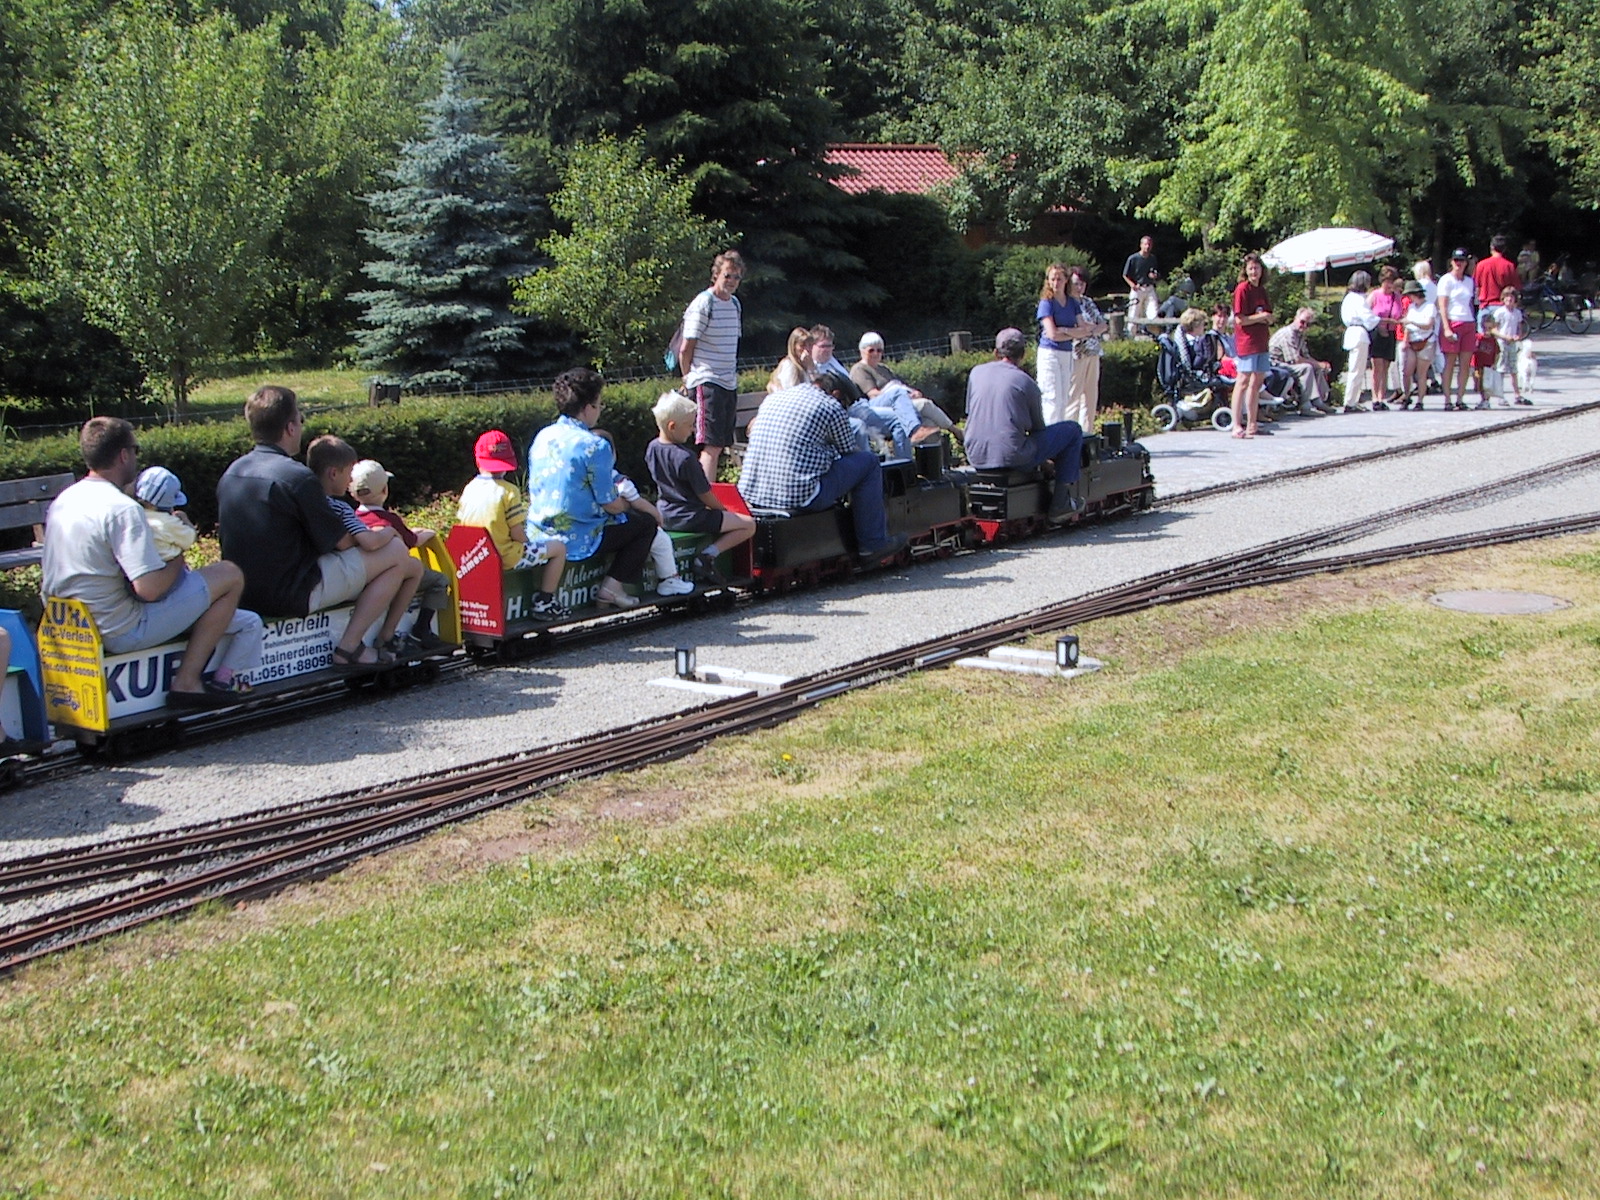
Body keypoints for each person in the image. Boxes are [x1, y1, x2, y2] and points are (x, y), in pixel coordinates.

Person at [43, 417, 254, 707]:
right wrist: (178, 552)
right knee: (229, 574)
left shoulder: (64, 500)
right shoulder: (122, 509)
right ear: (123, 455)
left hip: (69, 627)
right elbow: (150, 589)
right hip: (118, 630)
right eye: (136, 450)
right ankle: (187, 682)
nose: (136, 457)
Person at [217, 385, 417, 670]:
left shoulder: (233, 472)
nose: (301, 426)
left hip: (243, 591)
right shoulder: (297, 478)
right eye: (300, 420)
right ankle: (350, 648)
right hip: (291, 594)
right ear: (290, 428)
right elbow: (342, 543)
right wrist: (384, 533)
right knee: (396, 553)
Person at [737, 375, 908, 563]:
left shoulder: (774, 398)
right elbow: (848, 450)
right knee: (869, 462)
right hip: (798, 496)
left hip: (753, 494)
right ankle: (872, 544)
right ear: (836, 394)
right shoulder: (831, 406)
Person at [526, 368, 659, 610]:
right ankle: (612, 589)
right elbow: (610, 503)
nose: (599, 411)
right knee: (645, 524)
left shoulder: (543, 436)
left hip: (538, 530)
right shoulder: (595, 445)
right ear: (588, 408)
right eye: (599, 405)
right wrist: (629, 503)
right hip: (577, 535)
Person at [133, 465, 260, 693]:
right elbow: (190, 538)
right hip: (174, 600)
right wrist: (184, 520)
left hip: (151, 606)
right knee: (251, 620)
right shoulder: (168, 524)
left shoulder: (135, 520)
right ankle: (224, 679)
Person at [305, 435, 425, 659]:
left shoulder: (308, 498)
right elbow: (368, 542)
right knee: (398, 552)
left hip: (320, 570)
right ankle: (365, 641)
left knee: (413, 567)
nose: (350, 479)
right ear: (334, 473)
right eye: (348, 473)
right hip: (326, 577)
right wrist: (390, 532)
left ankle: (385, 632)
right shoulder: (338, 507)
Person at [963, 328, 1085, 523]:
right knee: (1073, 430)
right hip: (1012, 455)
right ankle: (1061, 503)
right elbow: (1038, 429)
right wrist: (1046, 461)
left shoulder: (975, 373)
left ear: (995, 352)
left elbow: (971, 412)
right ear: (1023, 354)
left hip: (974, 454)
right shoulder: (1026, 382)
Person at [456, 430, 569, 621]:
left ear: (478, 461)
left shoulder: (469, 488)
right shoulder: (509, 491)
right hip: (505, 556)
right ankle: (545, 601)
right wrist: (529, 543)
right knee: (558, 548)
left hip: (477, 555)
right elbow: (517, 534)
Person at [645, 391, 757, 582]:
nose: (692, 431)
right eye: (689, 426)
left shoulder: (652, 448)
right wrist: (722, 509)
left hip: (665, 514)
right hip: (692, 516)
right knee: (749, 525)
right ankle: (707, 556)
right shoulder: (685, 457)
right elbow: (705, 494)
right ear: (672, 426)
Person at [350, 458, 455, 650]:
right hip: (392, 575)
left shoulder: (353, 518)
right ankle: (421, 630)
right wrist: (429, 533)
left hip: (365, 576)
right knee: (440, 581)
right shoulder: (390, 520)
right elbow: (412, 541)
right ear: (385, 490)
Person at [592, 428, 694, 597]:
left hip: (593, 529)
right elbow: (638, 503)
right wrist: (656, 515)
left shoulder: (582, 479)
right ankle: (669, 579)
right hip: (613, 528)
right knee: (658, 535)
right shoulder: (618, 480)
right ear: (613, 454)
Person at [678, 250, 744, 482]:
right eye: (727, 276)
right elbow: (686, 348)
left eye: (736, 277)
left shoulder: (734, 304)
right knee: (711, 446)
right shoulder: (704, 303)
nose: (732, 281)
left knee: (721, 445)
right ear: (716, 275)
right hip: (707, 381)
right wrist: (688, 378)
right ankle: (706, 497)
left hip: (728, 382)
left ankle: (709, 493)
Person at [809, 324, 913, 460]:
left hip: (861, 405)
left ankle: (904, 463)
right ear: (812, 346)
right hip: (847, 412)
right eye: (823, 346)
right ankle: (878, 467)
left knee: (901, 416)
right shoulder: (812, 369)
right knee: (893, 418)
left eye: (830, 346)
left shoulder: (833, 362)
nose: (828, 350)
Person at [849, 332, 961, 442]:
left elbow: (899, 385)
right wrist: (902, 395)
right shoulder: (859, 369)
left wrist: (912, 393)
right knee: (924, 404)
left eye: (879, 350)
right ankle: (955, 431)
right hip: (875, 407)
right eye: (871, 350)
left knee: (929, 422)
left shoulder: (884, 369)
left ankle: (929, 449)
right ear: (862, 350)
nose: (875, 353)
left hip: (899, 401)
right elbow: (873, 394)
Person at [1230, 252, 1273, 438]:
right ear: (1246, 271)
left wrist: (1266, 318)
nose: (1254, 272)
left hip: (1262, 342)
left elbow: (1269, 315)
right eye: (1251, 269)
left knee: (1257, 383)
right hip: (1247, 342)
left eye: (1256, 268)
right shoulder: (1242, 289)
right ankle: (1236, 425)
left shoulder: (1261, 290)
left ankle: (1252, 423)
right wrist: (1261, 317)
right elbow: (1240, 319)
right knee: (1243, 381)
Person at [1066, 266, 1111, 430]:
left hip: (1093, 351)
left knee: (1090, 396)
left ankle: (1088, 432)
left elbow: (1103, 325)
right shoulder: (1067, 304)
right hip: (1076, 353)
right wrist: (1089, 328)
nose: (1080, 287)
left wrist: (1089, 330)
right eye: (1076, 283)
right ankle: (1069, 431)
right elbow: (1076, 328)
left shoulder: (1087, 302)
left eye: (1082, 284)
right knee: (1073, 395)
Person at [1268, 307, 1334, 415]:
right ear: (1296, 318)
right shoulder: (1287, 334)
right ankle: (1306, 406)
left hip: (1286, 364)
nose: (1304, 326)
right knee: (1306, 368)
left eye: (1308, 324)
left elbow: (1306, 356)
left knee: (1316, 368)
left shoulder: (1299, 335)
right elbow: (1295, 360)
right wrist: (1318, 364)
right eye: (1302, 322)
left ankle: (1319, 401)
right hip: (1276, 364)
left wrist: (1320, 365)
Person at [1437, 249, 1478, 411]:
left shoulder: (1469, 281)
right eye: (1456, 260)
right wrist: (1446, 327)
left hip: (1468, 321)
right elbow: (1442, 306)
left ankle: (1460, 398)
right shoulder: (1446, 280)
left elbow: (1470, 303)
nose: (1458, 264)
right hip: (1453, 321)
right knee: (1450, 362)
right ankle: (1447, 399)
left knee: (1465, 364)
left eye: (1461, 260)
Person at [1340, 271, 1379, 411]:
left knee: (1355, 369)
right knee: (1357, 369)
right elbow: (1368, 318)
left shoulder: (1348, 297)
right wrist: (1380, 319)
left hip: (1351, 332)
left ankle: (1352, 400)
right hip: (1359, 332)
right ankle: (1350, 402)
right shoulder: (1359, 299)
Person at [1368, 266, 1406, 409]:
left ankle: (1381, 397)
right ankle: (1374, 398)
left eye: (1392, 281)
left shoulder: (1397, 297)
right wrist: (1381, 323)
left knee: (1385, 367)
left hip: (1390, 333)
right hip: (1377, 332)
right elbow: (1367, 315)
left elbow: (1400, 314)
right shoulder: (1375, 295)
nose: (1389, 284)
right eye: (1387, 281)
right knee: (1377, 367)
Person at [1486, 285, 1530, 406]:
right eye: (1506, 297)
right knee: (1501, 369)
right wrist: (1504, 336)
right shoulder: (1500, 312)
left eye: (1511, 298)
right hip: (1502, 342)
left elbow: (1519, 328)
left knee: (1514, 369)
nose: (1509, 300)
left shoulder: (1517, 313)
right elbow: (1493, 329)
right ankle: (1500, 395)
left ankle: (1517, 394)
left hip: (1512, 343)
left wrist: (1518, 336)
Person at [1398, 280, 1438, 410]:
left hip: (1426, 341)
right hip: (1412, 340)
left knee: (1421, 373)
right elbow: (1407, 326)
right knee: (1407, 371)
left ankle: (1420, 401)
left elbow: (1428, 325)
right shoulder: (1411, 307)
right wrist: (1405, 340)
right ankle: (1406, 396)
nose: (1409, 298)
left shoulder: (1430, 307)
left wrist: (1412, 322)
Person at [1474, 234, 1521, 314]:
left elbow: (1477, 287)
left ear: (1491, 247)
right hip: (1504, 307)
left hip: (1486, 306)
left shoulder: (1481, 265)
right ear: (1504, 249)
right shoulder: (1509, 266)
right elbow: (1515, 288)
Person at [1122, 235, 1160, 329]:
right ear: (1141, 245)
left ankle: (1151, 333)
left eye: (1149, 244)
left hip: (1149, 288)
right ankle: (1131, 334)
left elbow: (1156, 272)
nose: (1147, 246)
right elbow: (1125, 274)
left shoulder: (1152, 258)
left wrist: (1154, 276)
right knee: (1133, 313)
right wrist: (1132, 284)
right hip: (1137, 289)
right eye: (1146, 244)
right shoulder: (1133, 258)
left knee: (1153, 313)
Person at [766, 326, 813, 393]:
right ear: (793, 347)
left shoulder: (807, 365)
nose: (807, 349)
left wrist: (811, 367)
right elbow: (790, 392)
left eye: (810, 345)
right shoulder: (789, 365)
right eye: (802, 345)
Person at [1470, 313, 1500, 408]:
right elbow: (1472, 350)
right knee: (1478, 382)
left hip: (1488, 365)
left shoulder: (1493, 340)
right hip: (1477, 364)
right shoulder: (1478, 337)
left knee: (1486, 384)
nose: (1487, 331)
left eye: (1489, 328)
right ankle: (1483, 398)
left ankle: (1486, 401)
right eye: (1485, 328)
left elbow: (1497, 353)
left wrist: (1495, 363)